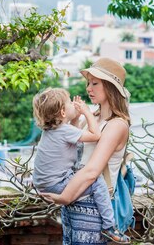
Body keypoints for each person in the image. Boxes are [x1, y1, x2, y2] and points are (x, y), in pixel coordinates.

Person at [41, 58, 132, 245]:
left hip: (92, 206)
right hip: (74, 201)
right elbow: (72, 149)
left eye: (95, 83)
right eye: (88, 83)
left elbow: (92, 171)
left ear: (110, 87)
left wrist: (65, 197)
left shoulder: (117, 125)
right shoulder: (92, 119)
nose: (88, 88)